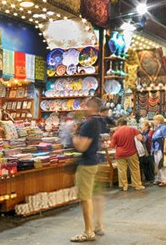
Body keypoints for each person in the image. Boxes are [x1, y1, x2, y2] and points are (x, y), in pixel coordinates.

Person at [71, 97, 104, 242]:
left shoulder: (89, 124)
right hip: (93, 162)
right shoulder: (95, 123)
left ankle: (88, 231)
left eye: (84, 105)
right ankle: (95, 226)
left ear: (91, 107)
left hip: (87, 164)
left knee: (85, 198)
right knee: (91, 196)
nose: (82, 108)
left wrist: (74, 135)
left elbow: (81, 147)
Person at [110, 118, 145, 191]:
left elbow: (112, 145)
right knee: (135, 169)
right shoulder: (132, 129)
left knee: (122, 170)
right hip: (132, 153)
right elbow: (140, 138)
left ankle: (124, 186)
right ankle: (137, 185)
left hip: (120, 154)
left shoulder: (116, 132)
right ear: (126, 123)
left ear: (119, 124)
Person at [151, 115, 166, 187]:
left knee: (162, 165)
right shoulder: (157, 128)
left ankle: (165, 180)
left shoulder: (164, 128)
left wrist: (165, 148)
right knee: (157, 164)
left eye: (154, 120)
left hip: (160, 147)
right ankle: (159, 179)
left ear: (158, 120)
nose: (153, 121)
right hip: (156, 148)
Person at [139, 121, 155, 185]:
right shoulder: (143, 132)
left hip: (149, 150)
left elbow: (146, 140)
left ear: (146, 126)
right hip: (145, 151)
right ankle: (147, 178)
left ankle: (151, 178)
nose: (141, 127)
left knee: (149, 164)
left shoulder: (150, 132)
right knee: (145, 164)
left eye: (142, 126)